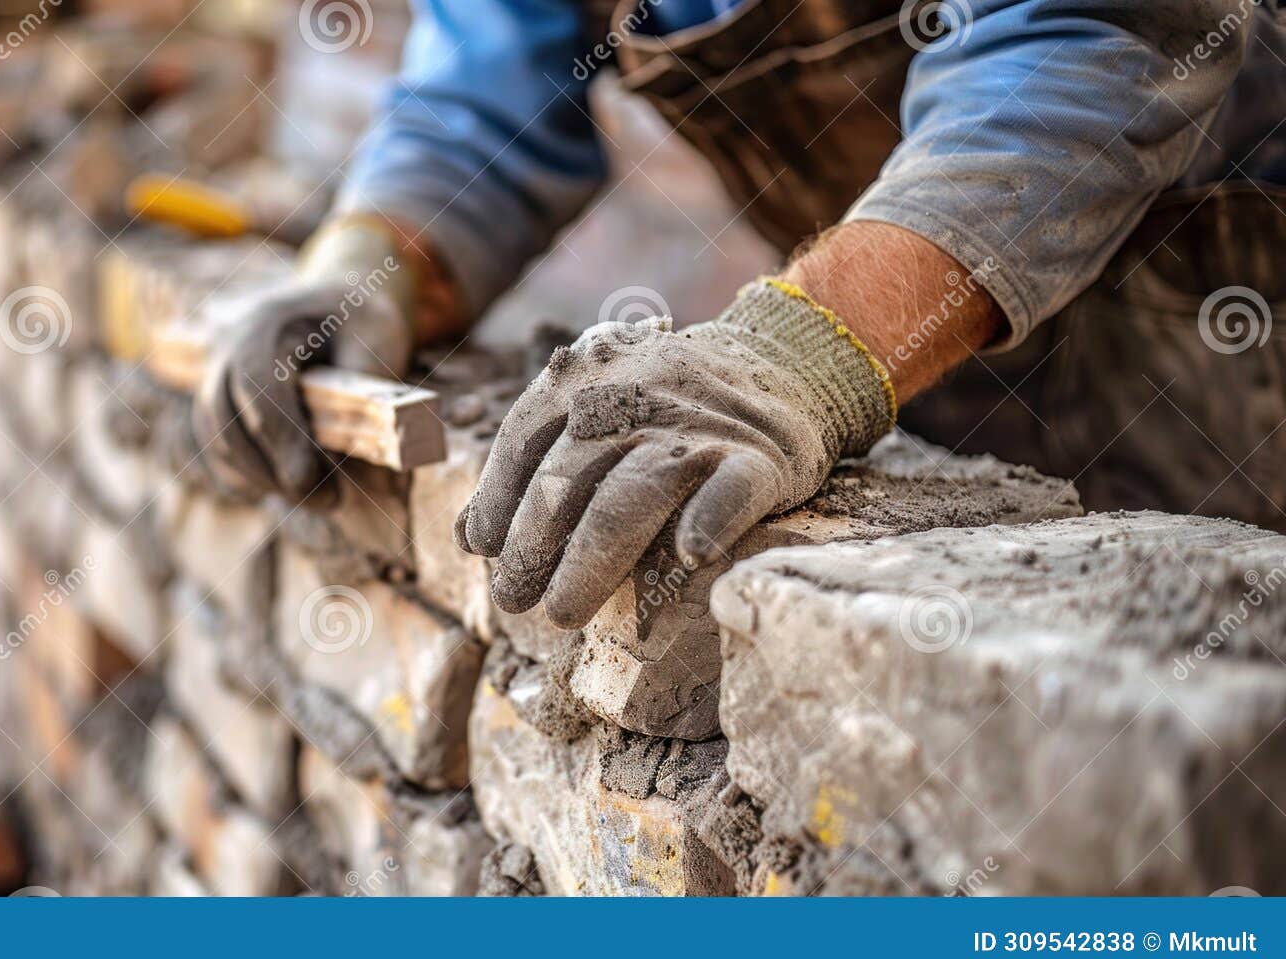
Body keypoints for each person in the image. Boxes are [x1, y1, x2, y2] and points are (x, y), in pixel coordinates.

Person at [194, 0, 1286, 630]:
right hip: (948, 381)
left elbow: (1084, 30)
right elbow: (482, 90)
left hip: (1229, 335)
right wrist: (371, 260)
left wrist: (806, 348)